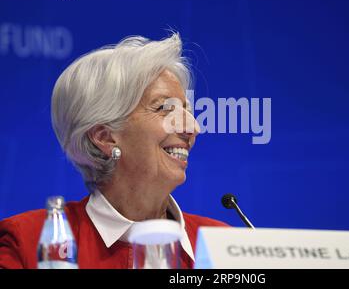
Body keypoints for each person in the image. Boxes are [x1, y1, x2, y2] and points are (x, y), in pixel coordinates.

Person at [0, 33, 228, 269]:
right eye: (164, 108)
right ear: (104, 136)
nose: (193, 127)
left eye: (186, 109)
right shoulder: (29, 243)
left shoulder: (221, 246)